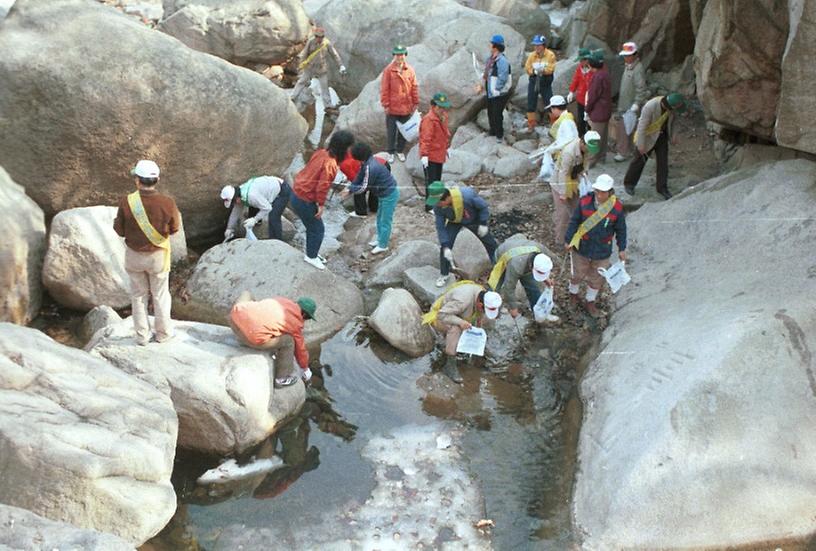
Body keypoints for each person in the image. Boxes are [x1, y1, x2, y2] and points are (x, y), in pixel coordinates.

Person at [113, 160, 181, 346]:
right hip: (157, 257)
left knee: (138, 296)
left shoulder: (127, 202)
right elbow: (174, 229)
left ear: (137, 180)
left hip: (134, 256)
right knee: (160, 295)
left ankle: (142, 337)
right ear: (157, 180)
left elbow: (119, 230)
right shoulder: (167, 203)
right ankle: (163, 335)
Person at [564, 174, 626, 318]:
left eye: (603, 192)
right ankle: (573, 294)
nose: (599, 194)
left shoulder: (616, 208)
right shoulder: (584, 202)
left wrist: (622, 248)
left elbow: (621, 229)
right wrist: (569, 240)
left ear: (610, 192)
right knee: (577, 273)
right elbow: (574, 221)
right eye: (597, 191)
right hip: (582, 247)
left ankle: (590, 301)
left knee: (597, 277)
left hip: (602, 250)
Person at [291, 130, 355, 269]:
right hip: (305, 198)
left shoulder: (321, 152)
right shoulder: (330, 164)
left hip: (296, 192)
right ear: (344, 148)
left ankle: (312, 251)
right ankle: (311, 257)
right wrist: (321, 205)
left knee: (310, 226)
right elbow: (322, 186)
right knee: (318, 229)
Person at [228, 291, 317, 387]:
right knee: (289, 341)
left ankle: (247, 324)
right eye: (307, 318)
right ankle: (281, 378)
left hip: (233, 320)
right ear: (304, 315)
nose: (305, 321)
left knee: (247, 294)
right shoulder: (295, 323)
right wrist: (305, 368)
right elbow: (300, 350)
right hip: (248, 337)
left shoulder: (282, 300)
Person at [422, 282, 502, 383]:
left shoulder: (482, 293)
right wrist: (460, 322)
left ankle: (476, 352)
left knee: (485, 321)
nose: (484, 312)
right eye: (484, 310)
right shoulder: (462, 301)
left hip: (460, 313)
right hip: (439, 316)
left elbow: (479, 316)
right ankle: (450, 365)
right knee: (456, 328)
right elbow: (441, 315)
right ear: (480, 304)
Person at [426, 182, 498, 288]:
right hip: (454, 221)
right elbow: (440, 227)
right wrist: (445, 245)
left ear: (447, 198)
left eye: (438, 202)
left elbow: (483, 207)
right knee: (445, 247)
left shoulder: (468, 195)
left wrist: (483, 223)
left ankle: (498, 267)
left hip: (474, 219)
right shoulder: (438, 208)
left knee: (490, 243)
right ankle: (444, 274)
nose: (437, 205)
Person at [340, 141, 400, 254]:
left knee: (385, 220)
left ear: (358, 156)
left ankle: (383, 245)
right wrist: (350, 187)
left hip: (389, 195)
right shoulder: (366, 163)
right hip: (383, 194)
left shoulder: (371, 167)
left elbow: (365, 187)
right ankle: (380, 240)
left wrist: (350, 191)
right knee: (379, 218)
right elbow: (359, 177)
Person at [623, 93, 686, 200]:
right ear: (669, 106)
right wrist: (641, 145)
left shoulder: (671, 108)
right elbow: (642, 127)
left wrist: (673, 135)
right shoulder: (650, 107)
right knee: (639, 161)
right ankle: (629, 184)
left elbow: (674, 121)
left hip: (662, 136)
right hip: (647, 136)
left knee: (663, 163)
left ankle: (662, 188)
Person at [487, 237, 558, 322]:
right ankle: (491, 310)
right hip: (503, 256)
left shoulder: (541, 250)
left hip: (522, 255)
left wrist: (546, 278)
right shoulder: (516, 266)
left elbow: (554, 259)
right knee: (496, 286)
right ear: (532, 266)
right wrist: (513, 307)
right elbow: (509, 287)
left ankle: (538, 312)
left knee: (532, 287)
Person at [550, 130, 601, 244]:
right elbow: (563, 173)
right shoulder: (569, 152)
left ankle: (577, 235)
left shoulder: (586, 150)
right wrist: (563, 193)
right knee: (563, 214)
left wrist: (584, 173)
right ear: (582, 143)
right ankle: (561, 240)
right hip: (560, 183)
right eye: (588, 148)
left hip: (574, 180)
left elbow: (586, 161)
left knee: (577, 208)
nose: (589, 151)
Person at [291, 27, 346, 111]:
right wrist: (301, 66)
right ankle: (293, 96)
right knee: (301, 81)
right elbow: (304, 54)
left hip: (321, 68)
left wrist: (341, 65)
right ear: (315, 36)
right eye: (317, 36)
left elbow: (334, 55)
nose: (319, 38)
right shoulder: (310, 42)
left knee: (324, 87)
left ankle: (328, 105)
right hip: (310, 67)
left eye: (321, 37)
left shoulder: (327, 43)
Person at [220, 176, 291, 242]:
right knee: (252, 204)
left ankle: (277, 242)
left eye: (233, 202)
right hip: (266, 190)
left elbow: (268, 208)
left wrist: (255, 219)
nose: (234, 204)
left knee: (273, 217)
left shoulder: (251, 196)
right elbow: (235, 212)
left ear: (236, 198)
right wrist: (229, 228)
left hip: (282, 190)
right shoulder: (241, 194)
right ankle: (258, 222)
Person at [380, 44, 419, 163]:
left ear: (405, 55)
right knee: (391, 131)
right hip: (392, 107)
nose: (399, 57)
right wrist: (385, 104)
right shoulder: (388, 70)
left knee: (404, 130)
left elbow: (414, 87)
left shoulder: (410, 70)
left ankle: (400, 150)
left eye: (401, 54)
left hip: (406, 107)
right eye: (397, 55)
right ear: (394, 56)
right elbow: (384, 89)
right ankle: (390, 152)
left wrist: (415, 102)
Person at [613, 42, 649, 162]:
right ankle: (627, 151)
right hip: (624, 104)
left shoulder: (638, 69)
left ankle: (624, 152)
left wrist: (637, 103)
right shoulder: (628, 67)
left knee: (626, 129)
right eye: (625, 55)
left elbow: (641, 88)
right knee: (625, 129)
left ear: (634, 55)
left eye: (628, 55)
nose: (626, 58)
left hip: (631, 107)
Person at [419, 92, 452, 207]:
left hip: (439, 154)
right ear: (433, 106)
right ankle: (429, 206)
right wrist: (424, 155)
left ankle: (436, 203)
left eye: (444, 107)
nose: (442, 109)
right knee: (431, 182)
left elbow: (444, 134)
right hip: (431, 156)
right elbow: (425, 138)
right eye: (440, 107)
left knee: (437, 181)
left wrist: (446, 148)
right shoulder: (429, 120)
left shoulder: (443, 117)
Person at [338, 149, 389, 219]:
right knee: (375, 188)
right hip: (383, 164)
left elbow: (356, 180)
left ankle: (360, 212)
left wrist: (349, 190)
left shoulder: (343, 165)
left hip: (374, 169)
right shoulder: (350, 153)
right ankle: (374, 208)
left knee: (358, 189)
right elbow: (356, 168)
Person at [482, 34, 512, 143]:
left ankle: (499, 135)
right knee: (490, 111)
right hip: (490, 89)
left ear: (495, 46)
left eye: (491, 44)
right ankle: (492, 130)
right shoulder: (491, 58)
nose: (490, 46)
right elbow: (487, 72)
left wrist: (497, 89)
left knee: (497, 113)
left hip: (499, 92)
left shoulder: (502, 61)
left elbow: (503, 76)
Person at [585, 50, 612, 166]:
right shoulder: (605, 73)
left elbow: (593, 95)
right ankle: (602, 157)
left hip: (598, 110)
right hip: (606, 109)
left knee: (594, 137)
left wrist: (587, 109)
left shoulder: (597, 77)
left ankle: (591, 160)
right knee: (603, 135)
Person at [524, 34, 557, 131]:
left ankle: (554, 124)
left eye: (538, 45)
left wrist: (543, 70)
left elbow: (551, 68)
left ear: (543, 45)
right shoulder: (531, 56)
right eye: (535, 45)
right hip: (534, 80)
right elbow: (527, 67)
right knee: (531, 102)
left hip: (545, 81)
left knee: (550, 102)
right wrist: (533, 71)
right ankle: (531, 124)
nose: (536, 47)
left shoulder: (550, 55)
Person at [567, 48, 593, 136]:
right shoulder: (579, 69)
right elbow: (575, 80)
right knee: (581, 119)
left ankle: (590, 138)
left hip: (591, 100)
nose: (580, 62)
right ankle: (581, 137)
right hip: (581, 99)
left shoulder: (593, 70)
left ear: (587, 60)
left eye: (582, 60)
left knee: (590, 121)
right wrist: (571, 91)